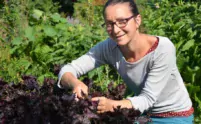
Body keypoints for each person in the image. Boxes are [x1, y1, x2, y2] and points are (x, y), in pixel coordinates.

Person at [57, 0, 194, 123]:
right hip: (143, 114)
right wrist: (75, 83)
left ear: (137, 20)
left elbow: (147, 99)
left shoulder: (162, 48)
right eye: (110, 24)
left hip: (175, 116)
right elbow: (68, 69)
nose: (116, 30)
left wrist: (112, 105)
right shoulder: (109, 47)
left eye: (122, 21)